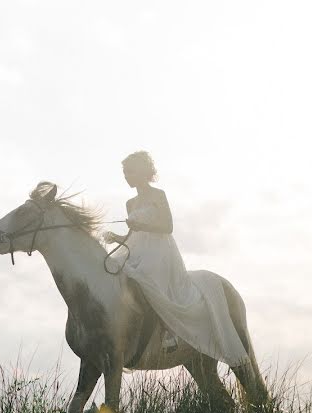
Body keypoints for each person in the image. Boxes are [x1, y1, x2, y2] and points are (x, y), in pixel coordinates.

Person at [103, 151, 249, 364]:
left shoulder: (158, 195)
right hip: (136, 249)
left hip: (160, 251)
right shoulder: (130, 203)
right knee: (114, 270)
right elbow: (132, 235)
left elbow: (167, 226)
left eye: (130, 171)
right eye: (124, 173)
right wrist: (116, 238)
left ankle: (167, 330)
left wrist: (141, 225)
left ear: (143, 172)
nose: (126, 176)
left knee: (147, 280)